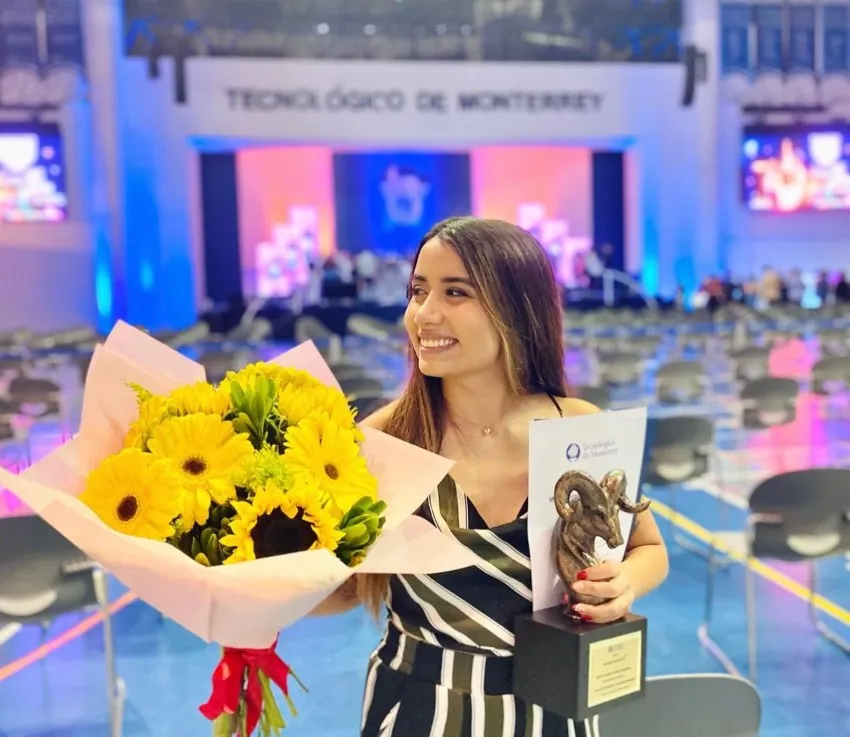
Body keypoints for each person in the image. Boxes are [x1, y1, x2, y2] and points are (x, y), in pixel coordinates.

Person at [315, 217, 669, 736]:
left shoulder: (579, 428)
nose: (424, 315)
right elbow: (347, 587)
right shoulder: (384, 438)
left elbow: (648, 550)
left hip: (553, 702)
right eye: (418, 291)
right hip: (417, 705)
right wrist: (253, 597)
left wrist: (625, 584)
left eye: (455, 292)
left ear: (517, 309)